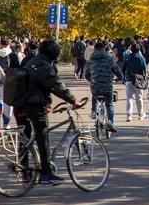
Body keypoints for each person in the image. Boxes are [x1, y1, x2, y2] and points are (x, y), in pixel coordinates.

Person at [22, 40, 78, 185]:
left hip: (21, 103)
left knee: (25, 137)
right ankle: (46, 174)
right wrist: (72, 100)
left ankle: (24, 172)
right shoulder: (43, 65)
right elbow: (55, 84)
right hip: (34, 105)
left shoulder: (31, 60)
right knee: (42, 137)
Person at [85, 41, 123, 132]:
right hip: (107, 85)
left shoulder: (90, 60)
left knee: (94, 94)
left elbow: (86, 74)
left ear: (95, 49)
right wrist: (120, 77)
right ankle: (110, 122)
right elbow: (117, 70)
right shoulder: (109, 58)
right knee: (109, 104)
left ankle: (94, 111)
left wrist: (91, 79)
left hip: (95, 85)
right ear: (103, 49)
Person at [120, 43, 147, 122]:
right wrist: (145, 78)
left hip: (129, 79)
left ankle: (129, 115)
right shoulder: (141, 58)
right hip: (139, 79)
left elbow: (123, 68)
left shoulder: (127, 57)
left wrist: (123, 78)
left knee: (129, 97)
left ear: (131, 50)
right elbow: (144, 68)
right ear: (139, 50)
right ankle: (140, 114)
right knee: (139, 97)